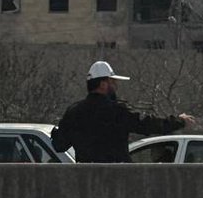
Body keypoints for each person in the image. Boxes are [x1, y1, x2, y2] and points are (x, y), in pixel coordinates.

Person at [51, 60, 194, 163]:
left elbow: (59, 145)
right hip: (117, 179)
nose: (116, 85)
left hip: (86, 181)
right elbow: (147, 124)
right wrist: (179, 121)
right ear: (103, 84)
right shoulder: (116, 111)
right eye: (113, 82)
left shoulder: (74, 112)